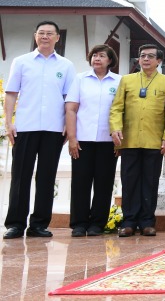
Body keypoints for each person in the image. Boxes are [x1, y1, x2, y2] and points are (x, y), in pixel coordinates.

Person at [3, 21, 76, 240]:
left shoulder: (66, 66)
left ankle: (39, 224)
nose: (45, 36)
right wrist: (8, 123)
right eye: (41, 33)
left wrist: (67, 126)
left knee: (46, 177)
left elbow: (70, 99)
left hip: (54, 129)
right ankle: (15, 224)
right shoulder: (22, 62)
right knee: (20, 177)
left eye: (49, 33)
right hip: (25, 127)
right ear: (35, 36)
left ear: (57, 38)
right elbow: (11, 93)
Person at [110, 44, 165, 237]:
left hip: (154, 140)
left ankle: (147, 221)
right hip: (129, 139)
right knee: (129, 182)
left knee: (150, 181)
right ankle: (129, 221)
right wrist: (115, 128)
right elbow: (116, 108)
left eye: (150, 56)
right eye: (142, 56)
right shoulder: (127, 80)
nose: (146, 59)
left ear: (159, 61)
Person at [65, 44, 121, 237]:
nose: (97, 59)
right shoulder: (80, 79)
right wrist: (72, 138)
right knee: (80, 182)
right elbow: (71, 109)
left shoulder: (119, 81)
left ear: (110, 60)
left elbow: (122, 112)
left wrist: (120, 141)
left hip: (108, 141)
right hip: (83, 140)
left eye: (102, 56)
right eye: (94, 55)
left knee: (104, 183)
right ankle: (79, 223)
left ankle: (97, 223)